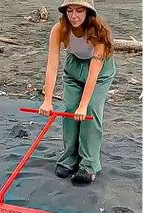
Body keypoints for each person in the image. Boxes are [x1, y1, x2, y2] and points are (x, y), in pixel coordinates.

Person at [39, 0, 115, 185]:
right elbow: (52, 65)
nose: (74, 16)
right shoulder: (59, 29)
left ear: (89, 12)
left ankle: (89, 164)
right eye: (70, 11)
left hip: (100, 71)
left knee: (89, 110)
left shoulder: (99, 32)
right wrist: (47, 99)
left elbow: (93, 73)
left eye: (79, 11)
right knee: (70, 110)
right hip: (73, 67)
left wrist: (83, 105)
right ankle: (69, 159)